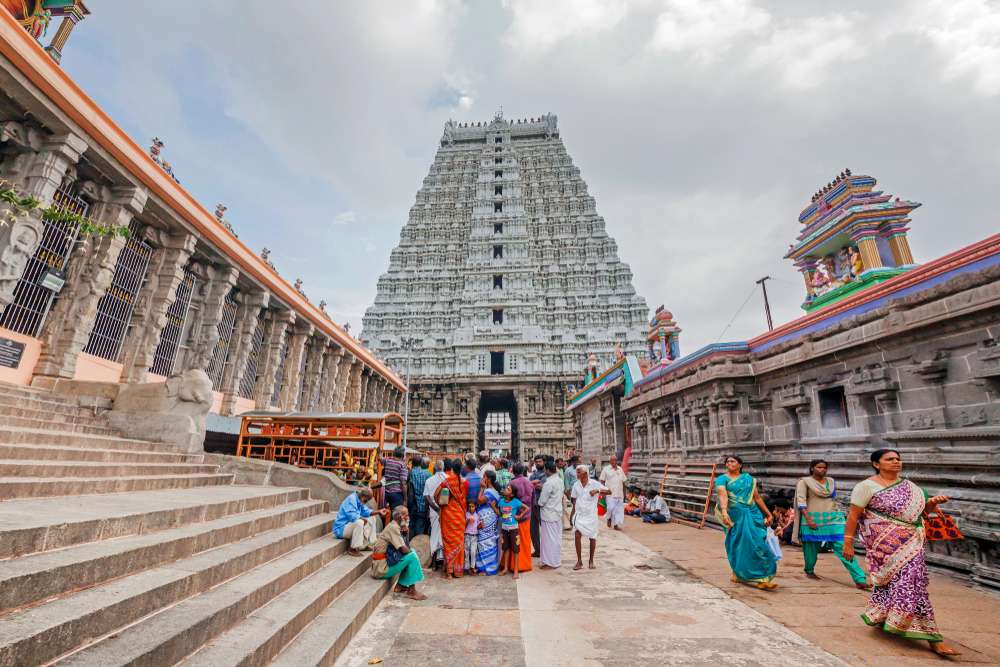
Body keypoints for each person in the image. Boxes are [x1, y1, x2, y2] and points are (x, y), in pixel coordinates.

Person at [843, 449, 959, 656]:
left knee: (912, 585)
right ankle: (888, 617)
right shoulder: (866, 486)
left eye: (898, 459)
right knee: (892, 583)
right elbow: (854, 516)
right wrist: (848, 543)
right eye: (890, 459)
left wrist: (932, 503)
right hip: (883, 546)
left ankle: (933, 636)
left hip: (912, 543)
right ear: (876, 464)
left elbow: (921, 513)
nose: (896, 462)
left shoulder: (911, 487)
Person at [795, 459, 868, 589]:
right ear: (812, 468)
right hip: (813, 519)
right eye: (819, 467)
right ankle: (809, 570)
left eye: (824, 468)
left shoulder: (831, 481)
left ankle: (860, 579)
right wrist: (809, 520)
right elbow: (801, 502)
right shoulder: (804, 482)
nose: (822, 470)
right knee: (811, 549)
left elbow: (832, 499)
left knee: (843, 546)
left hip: (834, 518)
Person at [714, 455, 778, 590]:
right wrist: (725, 512)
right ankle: (744, 574)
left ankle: (763, 576)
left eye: (732, 461)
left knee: (758, 543)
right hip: (735, 514)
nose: (729, 464)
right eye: (727, 462)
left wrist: (768, 513)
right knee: (738, 544)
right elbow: (722, 495)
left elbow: (757, 497)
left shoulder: (748, 479)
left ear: (740, 465)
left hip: (752, 512)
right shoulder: (722, 479)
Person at [371, 505, 427, 600]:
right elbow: (404, 550)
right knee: (412, 556)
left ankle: (400, 585)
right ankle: (411, 591)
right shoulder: (393, 527)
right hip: (381, 569)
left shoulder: (396, 526)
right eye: (406, 515)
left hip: (384, 564)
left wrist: (406, 533)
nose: (407, 517)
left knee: (411, 552)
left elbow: (405, 547)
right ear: (399, 516)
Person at [571, 465, 609, 570]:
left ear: (585, 474)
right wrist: (572, 514)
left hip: (591, 515)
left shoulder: (594, 484)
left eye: (579, 472)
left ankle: (591, 561)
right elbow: (574, 500)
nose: (577, 474)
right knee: (577, 535)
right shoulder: (576, 485)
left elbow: (609, 491)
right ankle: (579, 561)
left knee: (592, 537)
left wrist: (597, 491)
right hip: (579, 515)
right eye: (577, 472)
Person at [434, 459, 468, 578]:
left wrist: (440, 505)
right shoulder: (465, 483)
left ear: (452, 469)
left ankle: (449, 572)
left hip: (448, 515)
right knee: (459, 542)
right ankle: (458, 571)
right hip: (460, 516)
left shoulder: (447, 481)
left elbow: (435, 494)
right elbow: (465, 500)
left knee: (448, 542)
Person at [333, 487, 388, 556]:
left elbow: (366, 511)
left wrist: (379, 512)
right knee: (359, 522)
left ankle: (364, 545)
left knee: (372, 518)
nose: (366, 502)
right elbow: (352, 515)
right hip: (341, 529)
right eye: (366, 500)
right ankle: (353, 548)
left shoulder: (359, 500)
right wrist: (361, 518)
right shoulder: (351, 499)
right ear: (363, 496)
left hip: (349, 526)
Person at [498, 484, 529, 579]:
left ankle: (516, 570)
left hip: (514, 529)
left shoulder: (516, 502)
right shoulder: (501, 501)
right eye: (506, 488)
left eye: (508, 489)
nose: (505, 489)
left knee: (515, 550)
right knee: (505, 548)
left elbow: (527, 508)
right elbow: (500, 513)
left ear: (511, 494)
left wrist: (519, 516)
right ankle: (506, 568)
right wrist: (494, 507)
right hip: (504, 529)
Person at [538, 459, 564, 569]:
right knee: (555, 538)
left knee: (548, 540)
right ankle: (554, 560)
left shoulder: (549, 483)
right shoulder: (559, 480)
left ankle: (550, 562)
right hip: (556, 512)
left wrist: (539, 502)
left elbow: (542, 501)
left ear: (548, 470)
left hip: (548, 513)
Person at [475, 469, 501, 575]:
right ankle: (482, 567)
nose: (482, 478)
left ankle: (489, 568)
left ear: (488, 479)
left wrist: (482, 488)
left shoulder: (490, 492)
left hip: (488, 519)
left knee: (487, 542)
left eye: (484, 477)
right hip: (486, 518)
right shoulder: (490, 490)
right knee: (483, 542)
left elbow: (480, 500)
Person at [510, 463, 535, 572]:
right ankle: (525, 564)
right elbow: (533, 500)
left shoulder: (512, 483)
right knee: (525, 540)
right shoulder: (529, 483)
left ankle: (515, 565)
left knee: (514, 539)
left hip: (515, 515)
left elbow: (508, 499)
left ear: (513, 471)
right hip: (527, 515)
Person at [424, 459, 447, 568]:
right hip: (446, 510)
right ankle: (444, 563)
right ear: (443, 467)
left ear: (434, 468)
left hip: (434, 511)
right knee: (444, 535)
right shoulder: (448, 478)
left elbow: (427, 497)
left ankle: (434, 564)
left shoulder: (429, 480)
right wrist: (441, 509)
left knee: (434, 535)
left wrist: (436, 509)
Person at [600, 455, 628, 531]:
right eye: (612, 460)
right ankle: (609, 518)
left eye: (615, 460)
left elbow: (624, 481)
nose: (614, 462)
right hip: (609, 493)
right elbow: (602, 481)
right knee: (610, 508)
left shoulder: (620, 469)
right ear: (610, 461)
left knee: (618, 510)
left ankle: (616, 525)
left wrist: (625, 494)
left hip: (619, 493)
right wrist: (602, 492)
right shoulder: (606, 469)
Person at [408, 457, 431, 537]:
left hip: (412, 503)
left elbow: (409, 488)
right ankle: (418, 546)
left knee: (411, 524)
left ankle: (410, 545)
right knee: (420, 525)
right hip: (423, 504)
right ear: (421, 464)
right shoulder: (427, 474)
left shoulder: (411, 472)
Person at [529, 455, 547, 556]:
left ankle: (545, 550)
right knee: (533, 529)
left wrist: (534, 484)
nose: (537, 463)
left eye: (539, 461)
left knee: (544, 528)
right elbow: (530, 486)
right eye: (536, 462)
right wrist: (534, 484)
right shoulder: (533, 474)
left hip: (543, 505)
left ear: (544, 462)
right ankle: (537, 550)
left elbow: (544, 487)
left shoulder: (547, 474)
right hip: (533, 504)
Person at [381, 446, 408, 510]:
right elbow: (403, 483)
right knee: (397, 515)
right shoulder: (402, 465)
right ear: (403, 455)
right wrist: (405, 500)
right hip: (397, 494)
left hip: (387, 493)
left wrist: (379, 451)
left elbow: (380, 458)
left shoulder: (387, 461)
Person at [465, 501, 481, 575]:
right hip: (467, 535)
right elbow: (463, 524)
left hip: (474, 536)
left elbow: (478, 525)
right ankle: (467, 568)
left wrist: (481, 525)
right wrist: (468, 520)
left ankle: (472, 567)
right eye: (470, 507)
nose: (471, 508)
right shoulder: (466, 514)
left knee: (473, 552)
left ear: (475, 507)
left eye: (473, 507)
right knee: (467, 552)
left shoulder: (477, 515)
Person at [563, 456, 578, 530]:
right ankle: (571, 521)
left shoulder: (580, 469)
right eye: (576, 462)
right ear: (572, 462)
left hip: (581, 490)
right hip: (572, 491)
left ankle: (576, 521)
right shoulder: (568, 470)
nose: (577, 463)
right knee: (575, 507)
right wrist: (568, 493)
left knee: (579, 507)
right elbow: (566, 482)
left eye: (578, 461)